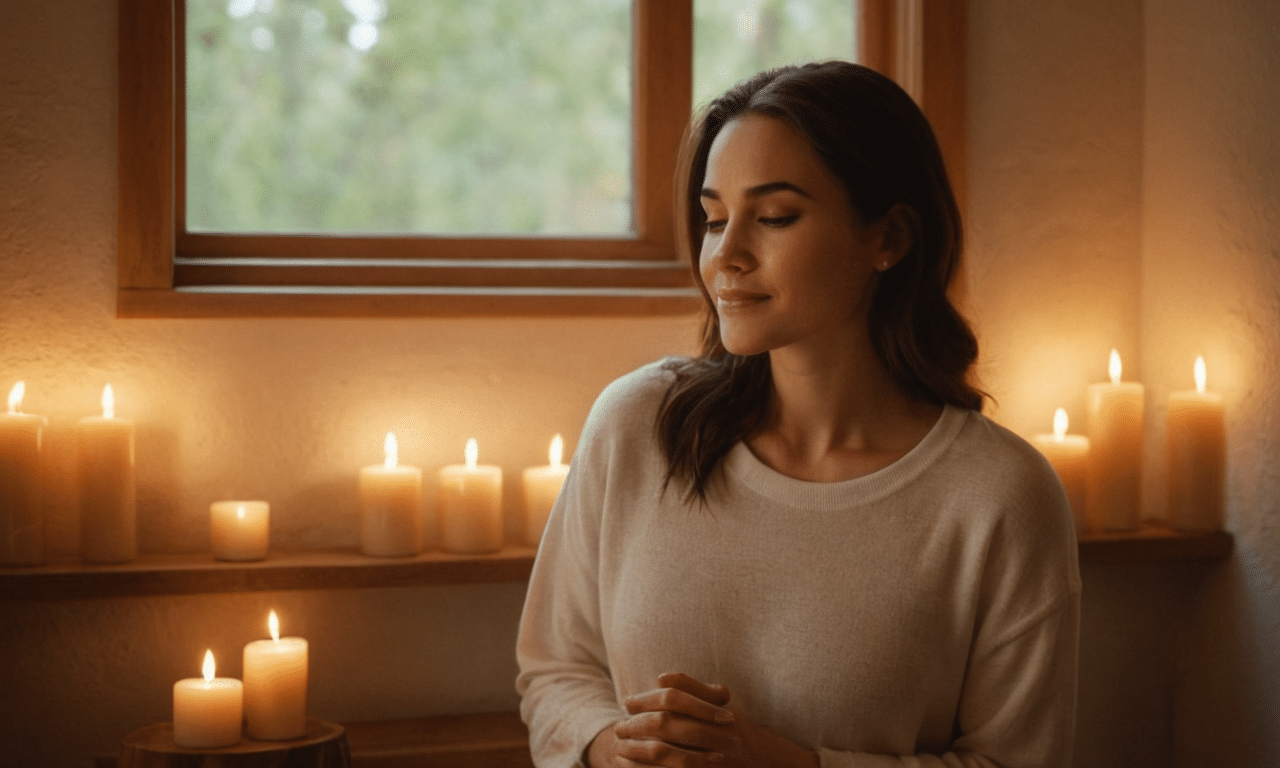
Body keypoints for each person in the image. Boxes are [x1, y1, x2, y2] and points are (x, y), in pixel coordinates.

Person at [516, 61, 1080, 768]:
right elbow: (555, 670)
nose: (726, 256)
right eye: (715, 219)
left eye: (775, 217)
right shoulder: (638, 426)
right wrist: (611, 748)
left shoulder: (1000, 495)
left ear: (891, 239)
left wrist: (782, 763)